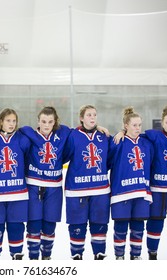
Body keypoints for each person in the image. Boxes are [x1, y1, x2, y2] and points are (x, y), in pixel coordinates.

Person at [114, 105, 167, 260]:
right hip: (158, 189)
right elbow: (134, 135)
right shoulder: (153, 136)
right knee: (155, 222)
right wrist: (122, 131)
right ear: (162, 124)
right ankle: (152, 254)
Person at [19, 106, 71, 260]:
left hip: (54, 187)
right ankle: (33, 258)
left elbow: (83, 131)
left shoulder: (63, 133)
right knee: (34, 224)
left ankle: (46, 257)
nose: (46, 125)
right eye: (43, 121)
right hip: (33, 185)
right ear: (38, 121)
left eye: (50, 121)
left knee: (49, 225)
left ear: (55, 122)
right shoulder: (28, 134)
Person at [64, 104, 111, 260]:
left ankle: (99, 254)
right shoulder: (73, 135)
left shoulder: (103, 136)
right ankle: (77, 255)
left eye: (94, 115)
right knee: (78, 224)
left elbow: (109, 159)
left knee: (99, 223)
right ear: (81, 118)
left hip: (100, 189)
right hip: (77, 188)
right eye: (89, 115)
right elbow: (64, 155)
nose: (92, 117)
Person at [0, 108, 31, 260]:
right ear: (1, 121)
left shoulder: (22, 139)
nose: (11, 124)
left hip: (17, 192)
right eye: (8, 120)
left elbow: (28, 160)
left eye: (14, 121)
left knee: (16, 225)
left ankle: (16, 256)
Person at [108, 107, 153, 260]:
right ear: (126, 126)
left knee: (138, 225)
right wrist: (118, 134)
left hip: (141, 191)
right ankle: (119, 256)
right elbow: (107, 161)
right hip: (121, 193)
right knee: (120, 225)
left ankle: (136, 256)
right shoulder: (117, 142)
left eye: (140, 125)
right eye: (134, 125)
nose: (138, 128)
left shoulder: (146, 143)